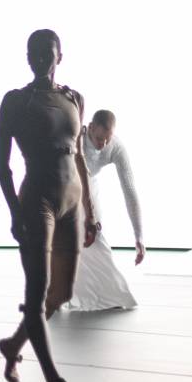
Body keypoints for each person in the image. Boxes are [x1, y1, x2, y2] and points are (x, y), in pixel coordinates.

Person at [0, 30, 97, 382]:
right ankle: (55, 381)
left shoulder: (74, 98)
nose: (39, 59)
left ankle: (13, 345)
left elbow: (79, 155)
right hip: (38, 202)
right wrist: (14, 211)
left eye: (46, 53)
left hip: (72, 202)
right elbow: (3, 166)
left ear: (59, 56)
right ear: (26, 57)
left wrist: (91, 212)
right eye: (33, 53)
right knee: (37, 294)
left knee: (62, 293)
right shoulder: (16, 101)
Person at [66, 109, 145, 311]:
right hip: (65, 183)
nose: (103, 144)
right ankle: (64, 292)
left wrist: (139, 237)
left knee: (94, 237)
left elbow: (129, 190)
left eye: (107, 139)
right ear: (90, 128)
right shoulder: (75, 137)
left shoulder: (115, 147)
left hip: (90, 186)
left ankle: (108, 296)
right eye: (99, 139)